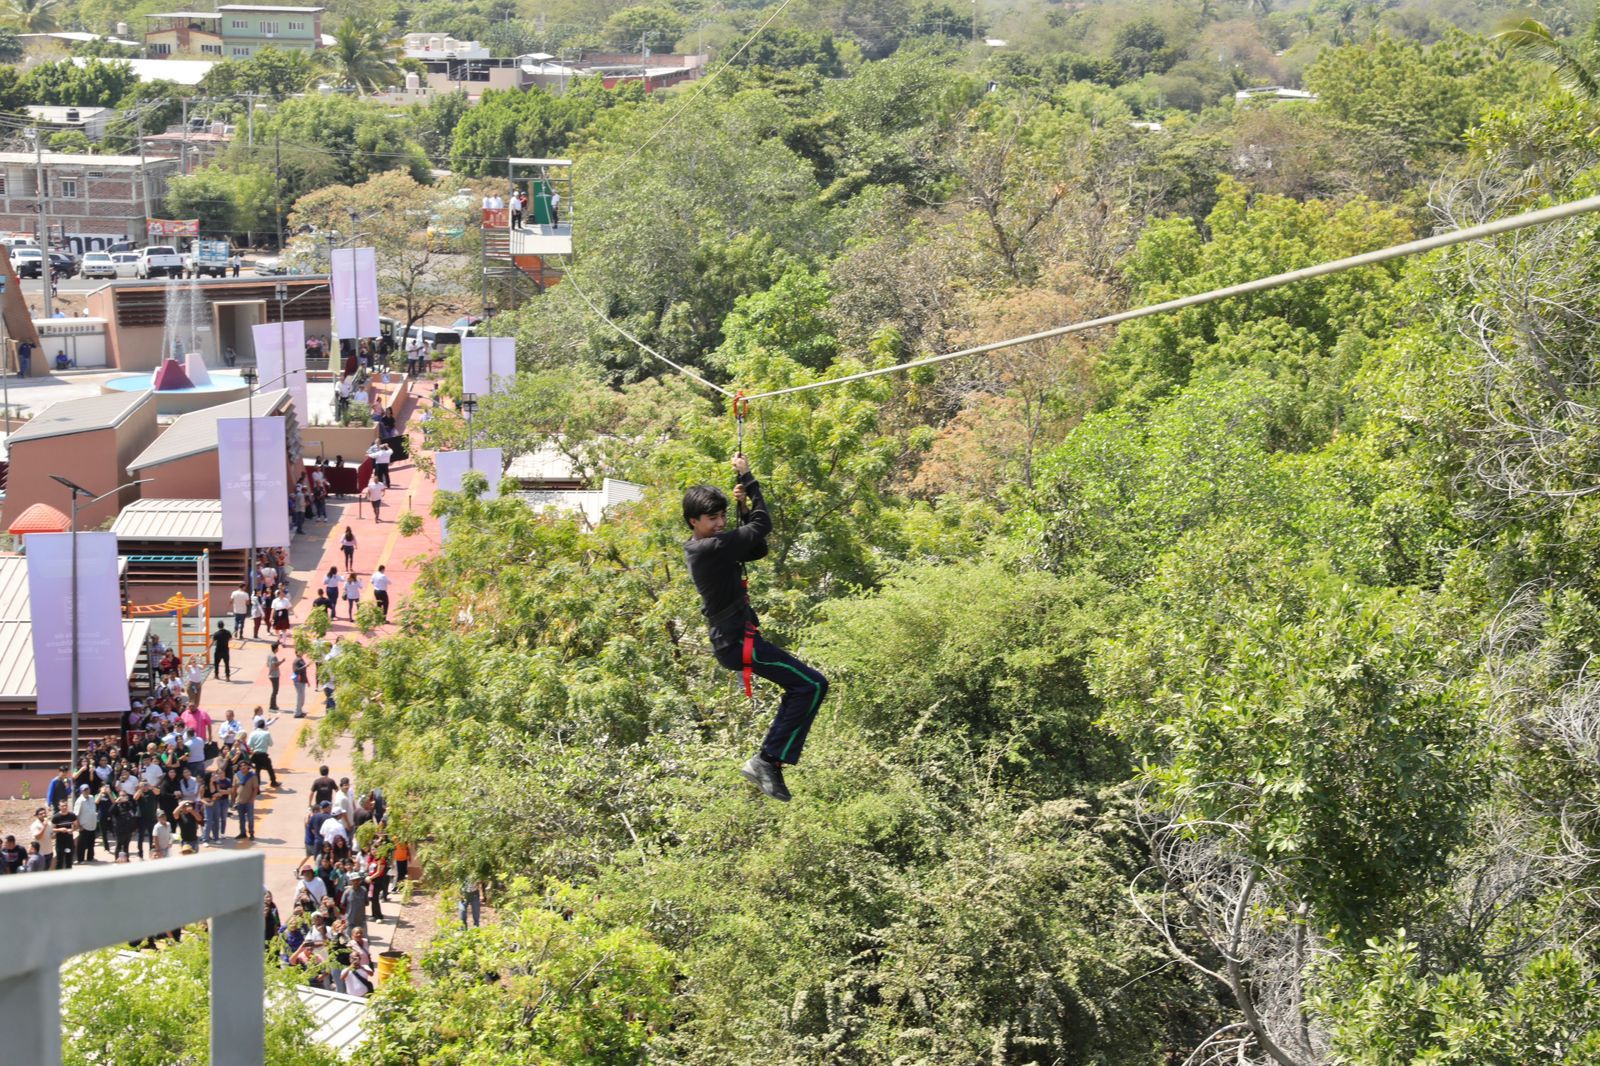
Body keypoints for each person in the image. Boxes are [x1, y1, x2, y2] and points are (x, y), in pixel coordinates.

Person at [682, 457, 829, 802]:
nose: (720, 523)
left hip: (737, 641)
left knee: (808, 686)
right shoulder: (709, 548)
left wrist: (742, 508)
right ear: (694, 522)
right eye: (712, 518)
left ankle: (769, 761)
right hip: (736, 643)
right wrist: (748, 478)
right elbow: (764, 525)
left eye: (722, 517)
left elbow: (757, 548)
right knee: (812, 684)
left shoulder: (712, 545)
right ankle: (766, 760)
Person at [247, 715, 279, 788]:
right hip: (263, 754)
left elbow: (249, 744)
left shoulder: (253, 733)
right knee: (269, 768)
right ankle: (273, 781)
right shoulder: (266, 733)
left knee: (257, 770)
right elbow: (271, 744)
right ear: (264, 725)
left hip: (255, 754)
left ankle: (257, 786)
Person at [233, 758, 259, 840]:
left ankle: (251, 833)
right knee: (241, 819)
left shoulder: (253, 776)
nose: (242, 767)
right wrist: (232, 800)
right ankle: (242, 833)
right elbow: (234, 788)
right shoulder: (236, 775)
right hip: (239, 801)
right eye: (241, 766)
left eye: (244, 765)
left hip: (249, 801)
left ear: (248, 767)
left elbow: (255, 789)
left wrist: (252, 799)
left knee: (250, 818)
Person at [73, 786, 98, 864]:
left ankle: (90, 857)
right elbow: (75, 815)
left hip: (92, 825)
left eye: (88, 789)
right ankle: (80, 859)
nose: (87, 791)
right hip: (84, 826)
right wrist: (79, 826)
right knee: (82, 845)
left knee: (91, 843)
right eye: (85, 790)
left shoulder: (91, 797)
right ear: (81, 791)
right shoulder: (79, 801)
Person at [51, 800, 77, 870]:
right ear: (59, 807)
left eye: (66, 805)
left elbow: (76, 825)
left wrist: (72, 830)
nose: (64, 807)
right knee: (60, 861)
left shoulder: (72, 815)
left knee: (69, 860)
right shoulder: (56, 817)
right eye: (62, 806)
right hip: (60, 843)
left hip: (69, 842)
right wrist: (60, 830)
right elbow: (51, 829)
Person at [265, 646, 283, 711]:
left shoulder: (269, 655)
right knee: (275, 691)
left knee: (275, 690)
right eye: (277, 648)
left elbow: (267, 664)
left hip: (271, 674)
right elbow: (276, 665)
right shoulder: (274, 657)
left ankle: (273, 705)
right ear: (275, 649)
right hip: (274, 675)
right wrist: (282, 661)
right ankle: (272, 705)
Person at [292, 653, 310, 717]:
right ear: (296, 653)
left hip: (302, 681)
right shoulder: (296, 661)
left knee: (302, 698)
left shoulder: (301, 659)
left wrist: (307, 681)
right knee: (300, 697)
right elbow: (296, 671)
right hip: (298, 681)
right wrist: (305, 666)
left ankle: (300, 711)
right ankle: (297, 713)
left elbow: (304, 672)